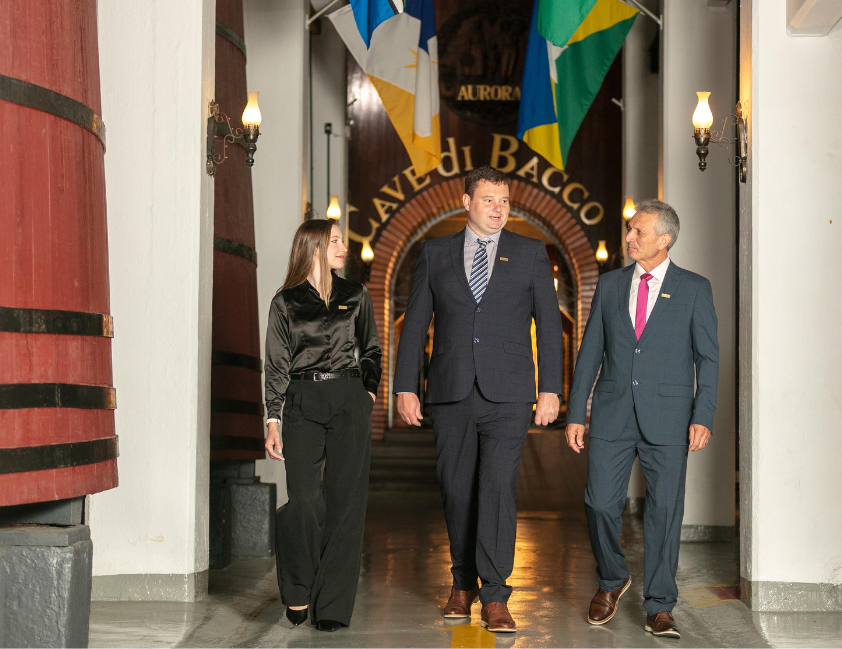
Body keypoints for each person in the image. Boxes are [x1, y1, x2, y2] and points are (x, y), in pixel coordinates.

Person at [393, 166, 563, 633]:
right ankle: (461, 582)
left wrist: (551, 388)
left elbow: (549, 325)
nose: (498, 209)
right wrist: (405, 386)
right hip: (450, 391)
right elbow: (415, 325)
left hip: (508, 394)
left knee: (497, 488)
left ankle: (494, 595)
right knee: (456, 488)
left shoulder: (530, 254)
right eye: (488, 199)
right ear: (465, 202)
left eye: (504, 201)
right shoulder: (435, 253)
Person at [565, 199, 719, 639]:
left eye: (638, 232)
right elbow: (590, 351)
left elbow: (708, 358)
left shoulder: (693, 288)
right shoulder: (611, 285)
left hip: (670, 416)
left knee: (665, 511)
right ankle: (613, 580)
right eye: (630, 230)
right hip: (613, 413)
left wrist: (702, 414)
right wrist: (578, 412)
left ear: (664, 240)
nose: (629, 238)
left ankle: (660, 605)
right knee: (598, 502)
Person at [264, 219, 381, 632]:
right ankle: (297, 588)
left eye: (343, 240)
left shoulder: (356, 295)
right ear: (313, 247)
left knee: (347, 503)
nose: (343, 246)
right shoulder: (286, 302)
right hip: (302, 401)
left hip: (349, 399)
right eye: (335, 241)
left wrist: (367, 392)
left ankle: (331, 606)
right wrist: (273, 417)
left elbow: (371, 348)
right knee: (305, 502)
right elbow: (276, 364)